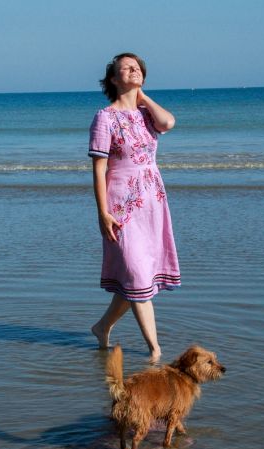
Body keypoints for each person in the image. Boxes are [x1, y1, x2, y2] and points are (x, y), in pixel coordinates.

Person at [89, 53, 181, 362]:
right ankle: (155, 352)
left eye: (138, 67)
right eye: (126, 68)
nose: (134, 70)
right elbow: (99, 169)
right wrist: (102, 212)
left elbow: (169, 122)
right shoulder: (105, 118)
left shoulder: (146, 114)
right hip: (122, 203)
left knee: (136, 278)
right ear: (114, 80)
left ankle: (102, 327)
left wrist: (141, 97)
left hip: (152, 201)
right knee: (137, 275)